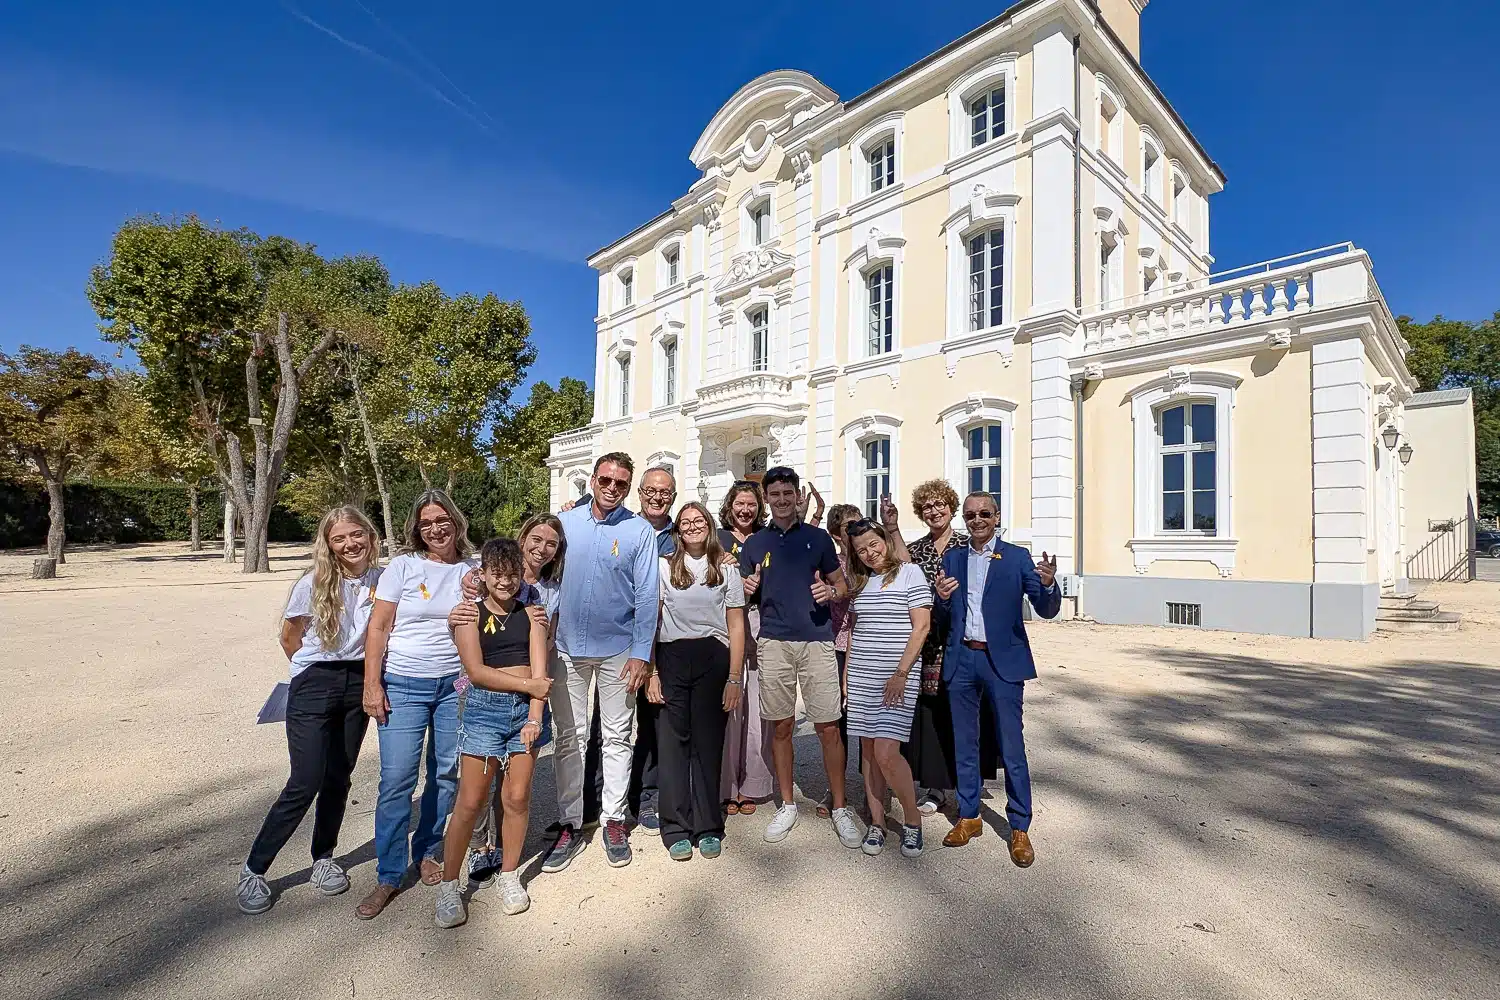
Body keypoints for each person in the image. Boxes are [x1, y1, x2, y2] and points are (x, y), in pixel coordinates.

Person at [237, 506, 382, 915]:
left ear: (369, 536)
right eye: (340, 539)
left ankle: (323, 857)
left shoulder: (383, 579)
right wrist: (313, 672)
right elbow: (290, 637)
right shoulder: (312, 582)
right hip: (315, 682)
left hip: (359, 680)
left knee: (339, 777)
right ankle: (254, 869)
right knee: (305, 780)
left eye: (357, 535)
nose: (350, 544)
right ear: (329, 545)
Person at [358, 490, 477, 920]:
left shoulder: (471, 570)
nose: (435, 529)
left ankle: (428, 849)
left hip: (454, 687)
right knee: (396, 781)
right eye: (426, 523)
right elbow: (379, 627)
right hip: (404, 684)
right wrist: (373, 684)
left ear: (455, 521)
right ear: (417, 529)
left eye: (441, 519)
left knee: (445, 774)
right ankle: (389, 874)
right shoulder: (402, 568)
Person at [542, 452, 659, 872]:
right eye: (606, 480)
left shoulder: (639, 531)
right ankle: (571, 821)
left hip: (618, 652)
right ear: (592, 480)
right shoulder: (565, 524)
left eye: (621, 484)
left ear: (629, 489)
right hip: (567, 650)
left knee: (616, 737)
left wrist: (642, 654)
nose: (612, 488)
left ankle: (612, 819)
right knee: (569, 737)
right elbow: (538, 570)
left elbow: (648, 595)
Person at [934, 491, 1061, 867]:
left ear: (997, 516)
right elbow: (943, 617)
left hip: (1001, 663)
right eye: (970, 515)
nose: (977, 520)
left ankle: (1019, 826)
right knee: (965, 744)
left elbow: (1047, 609)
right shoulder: (952, 557)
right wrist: (939, 599)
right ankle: (969, 815)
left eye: (984, 514)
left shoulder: (1018, 557)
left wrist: (1050, 584)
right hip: (962, 659)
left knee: (1011, 745)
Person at [739, 466, 861, 848]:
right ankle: (787, 803)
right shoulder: (755, 543)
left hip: (817, 640)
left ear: (796, 495)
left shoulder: (818, 538)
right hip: (773, 642)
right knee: (781, 726)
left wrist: (833, 592)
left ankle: (840, 806)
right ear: (767, 499)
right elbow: (742, 592)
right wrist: (747, 587)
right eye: (774, 494)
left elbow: (841, 583)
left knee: (827, 726)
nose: (781, 500)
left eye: (787, 493)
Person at [435, 538, 554, 926]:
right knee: (470, 801)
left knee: (517, 797)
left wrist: (535, 715)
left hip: (525, 714)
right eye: (497, 575)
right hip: (484, 711)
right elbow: (476, 672)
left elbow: (540, 673)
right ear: (483, 575)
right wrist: (529, 688)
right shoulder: (468, 616)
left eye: (512, 575)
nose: (505, 582)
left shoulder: (532, 614)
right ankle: (449, 884)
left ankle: (509, 874)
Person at [891, 481, 999, 815]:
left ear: (951, 507)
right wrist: (891, 527)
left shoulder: (971, 544)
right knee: (933, 714)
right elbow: (899, 570)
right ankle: (936, 786)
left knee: (969, 714)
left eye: (939, 504)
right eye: (926, 507)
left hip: (964, 642)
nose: (934, 511)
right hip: (927, 644)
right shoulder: (918, 548)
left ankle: (970, 784)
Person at [649, 501, 746, 860]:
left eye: (698, 521)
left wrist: (734, 677)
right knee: (673, 746)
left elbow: (737, 625)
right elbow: (654, 622)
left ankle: (708, 825)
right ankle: (675, 825)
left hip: (713, 658)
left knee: (708, 744)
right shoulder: (663, 568)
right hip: (672, 657)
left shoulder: (725, 569)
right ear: (677, 531)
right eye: (685, 522)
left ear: (709, 525)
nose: (691, 527)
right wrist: (653, 671)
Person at [842, 519, 931, 858]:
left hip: (896, 677)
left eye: (872, 543)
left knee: (886, 752)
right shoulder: (861, 581)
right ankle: (877, 823)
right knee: (868, 754)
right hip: (863, 675)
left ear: (884, 539)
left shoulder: (910, 573)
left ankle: (912, 822)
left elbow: (921, 627)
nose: (869, 552)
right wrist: (847, 675)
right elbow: (855, 630)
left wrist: (901, 673)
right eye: (861, 549)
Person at [717, 482, 775, 816]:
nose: (745, 510)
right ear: (730, 506)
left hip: (761, 622)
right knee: (729, 705)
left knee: (756, 708)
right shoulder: (718, 540)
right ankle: (727, 785)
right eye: (740, 503)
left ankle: (753, 782)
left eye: (751, 504)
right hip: (726, 625)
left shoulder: (767, 539)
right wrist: (736, 583)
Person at [629, 467, 678, 832]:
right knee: (609, 724)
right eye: (651, 491)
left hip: (664, 641)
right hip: (621, 639)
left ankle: (648, 795)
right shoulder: (625, 528)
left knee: (653, 721)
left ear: (673, 497)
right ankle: (596, 800)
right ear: (640, 493)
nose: (657, 497)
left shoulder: (683, 535)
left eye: (664, 492)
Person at [819, 503, 862, 819]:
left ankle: (879, 786)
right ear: (836, 534)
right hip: (836, 646)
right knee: (838, 720)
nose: (856, 531)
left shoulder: (872, 557)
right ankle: (837, 789)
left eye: (859, 524)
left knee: (873, 721)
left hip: (869, 647)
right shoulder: (828, 561)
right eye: (849, 526)